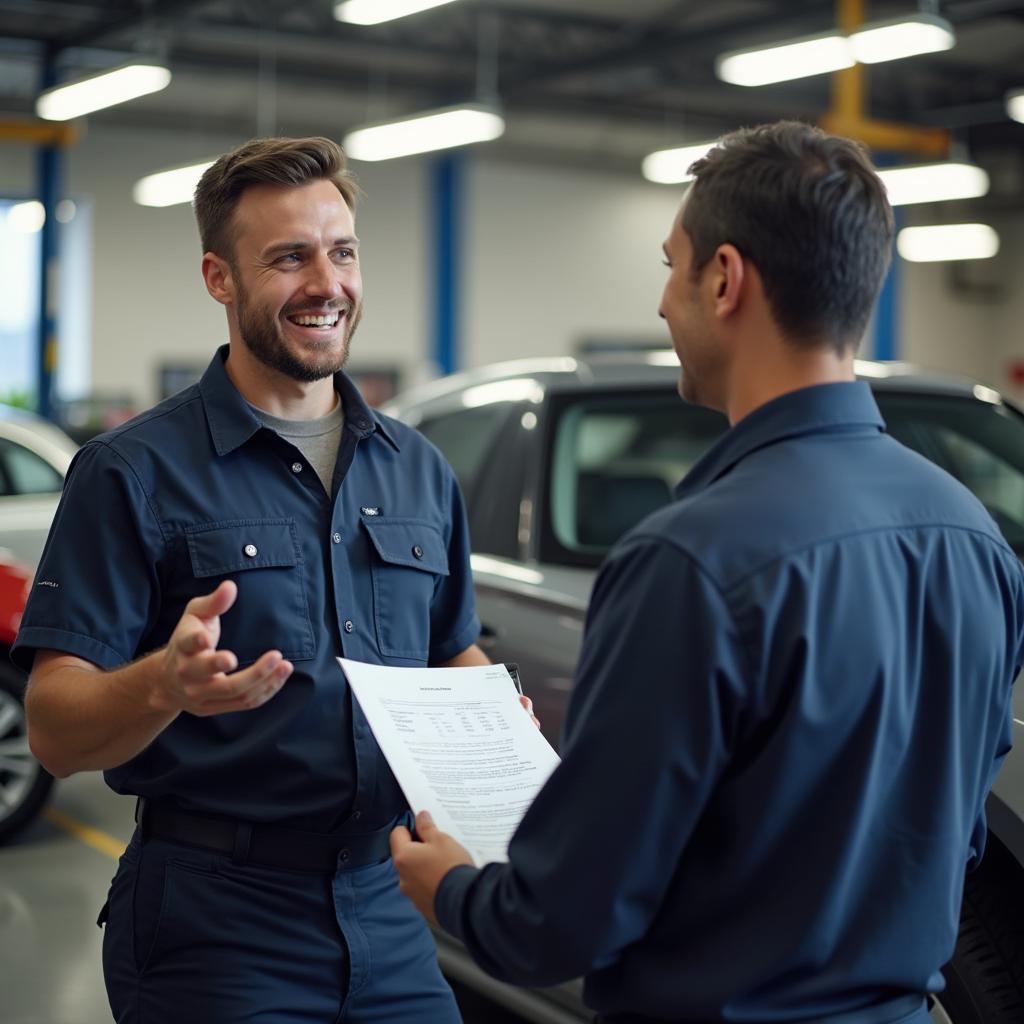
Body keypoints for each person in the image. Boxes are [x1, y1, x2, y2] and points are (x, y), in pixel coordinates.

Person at [390, 121, 1024, 1024]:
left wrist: (450, 888)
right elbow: (952, 836)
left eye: (670, 265)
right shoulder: (975, 538)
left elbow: (564, 921)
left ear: (725, 280)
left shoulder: (688, 563)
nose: (660, 303)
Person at [14, 136, 524, 1023]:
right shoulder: (130, 472)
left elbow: (451, 648)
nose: (326, 283)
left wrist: (491, 718)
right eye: (289, 257)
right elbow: (54, 729)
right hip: (216, 920)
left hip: (389, 905)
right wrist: (164, 685)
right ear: (220, 278)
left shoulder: (417, 470)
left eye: (343, 251)